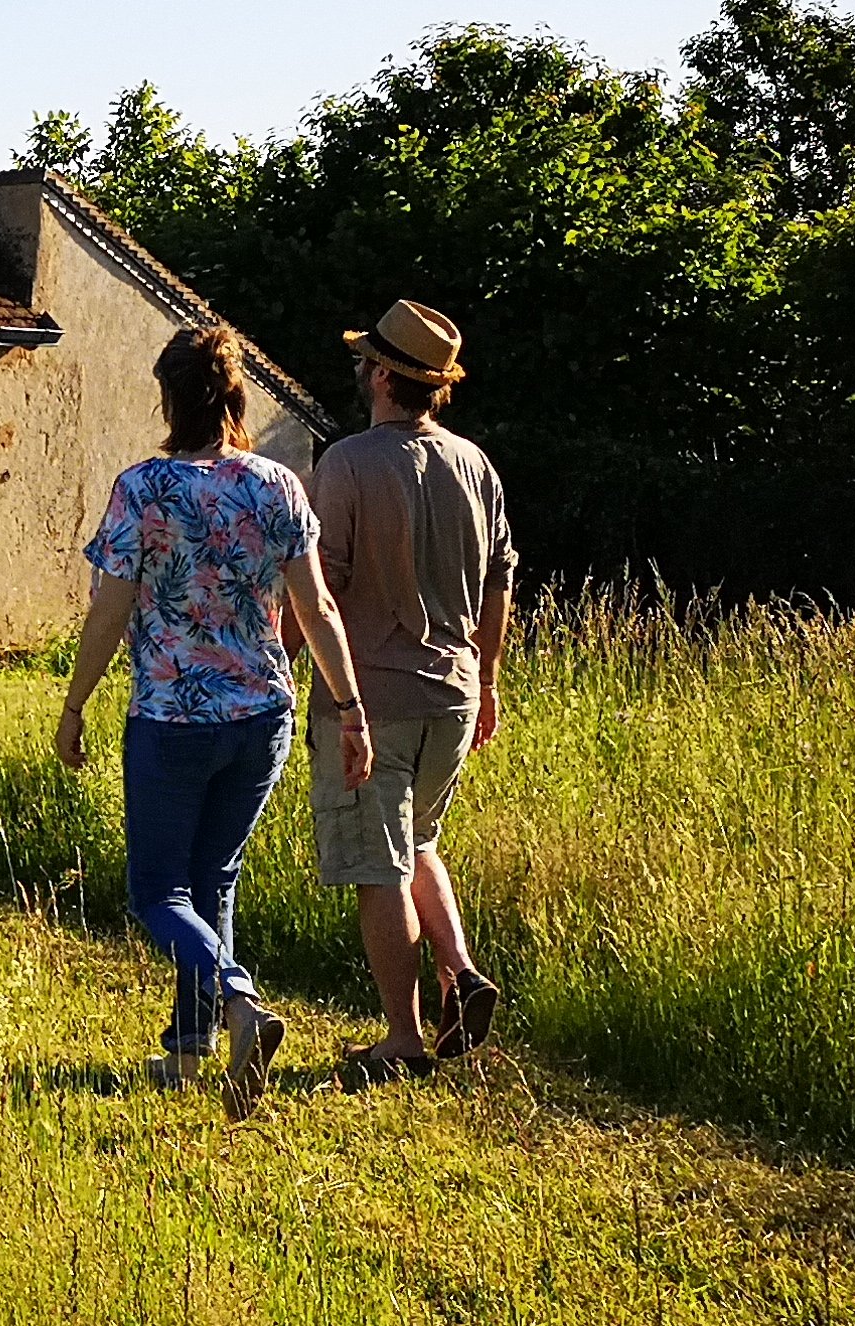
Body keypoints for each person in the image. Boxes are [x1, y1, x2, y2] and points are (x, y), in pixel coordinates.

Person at [56, 324, 375, 1116]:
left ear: (168, 397)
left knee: (158, 893)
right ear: (238, 395)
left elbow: (110, 608)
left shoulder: (144, 489)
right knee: (214, 879)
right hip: (261, 712)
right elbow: (318, 606)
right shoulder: (277, 486)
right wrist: (351, 707)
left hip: (170, 717)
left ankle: (238, 1001)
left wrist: (75, 703)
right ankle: (193, 1049)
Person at [306, 297, 515, 1089]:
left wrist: (288, 667)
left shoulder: (349, 464)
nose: (361, 369)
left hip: (371, 699)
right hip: (454, 696)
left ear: (385, 375)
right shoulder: (476, 464)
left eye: (368, 360)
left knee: (378, 864)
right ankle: (461, 972)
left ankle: (404, 1036)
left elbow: (322, 584)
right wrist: (488, 680)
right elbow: (500, 584)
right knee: (419, 840)